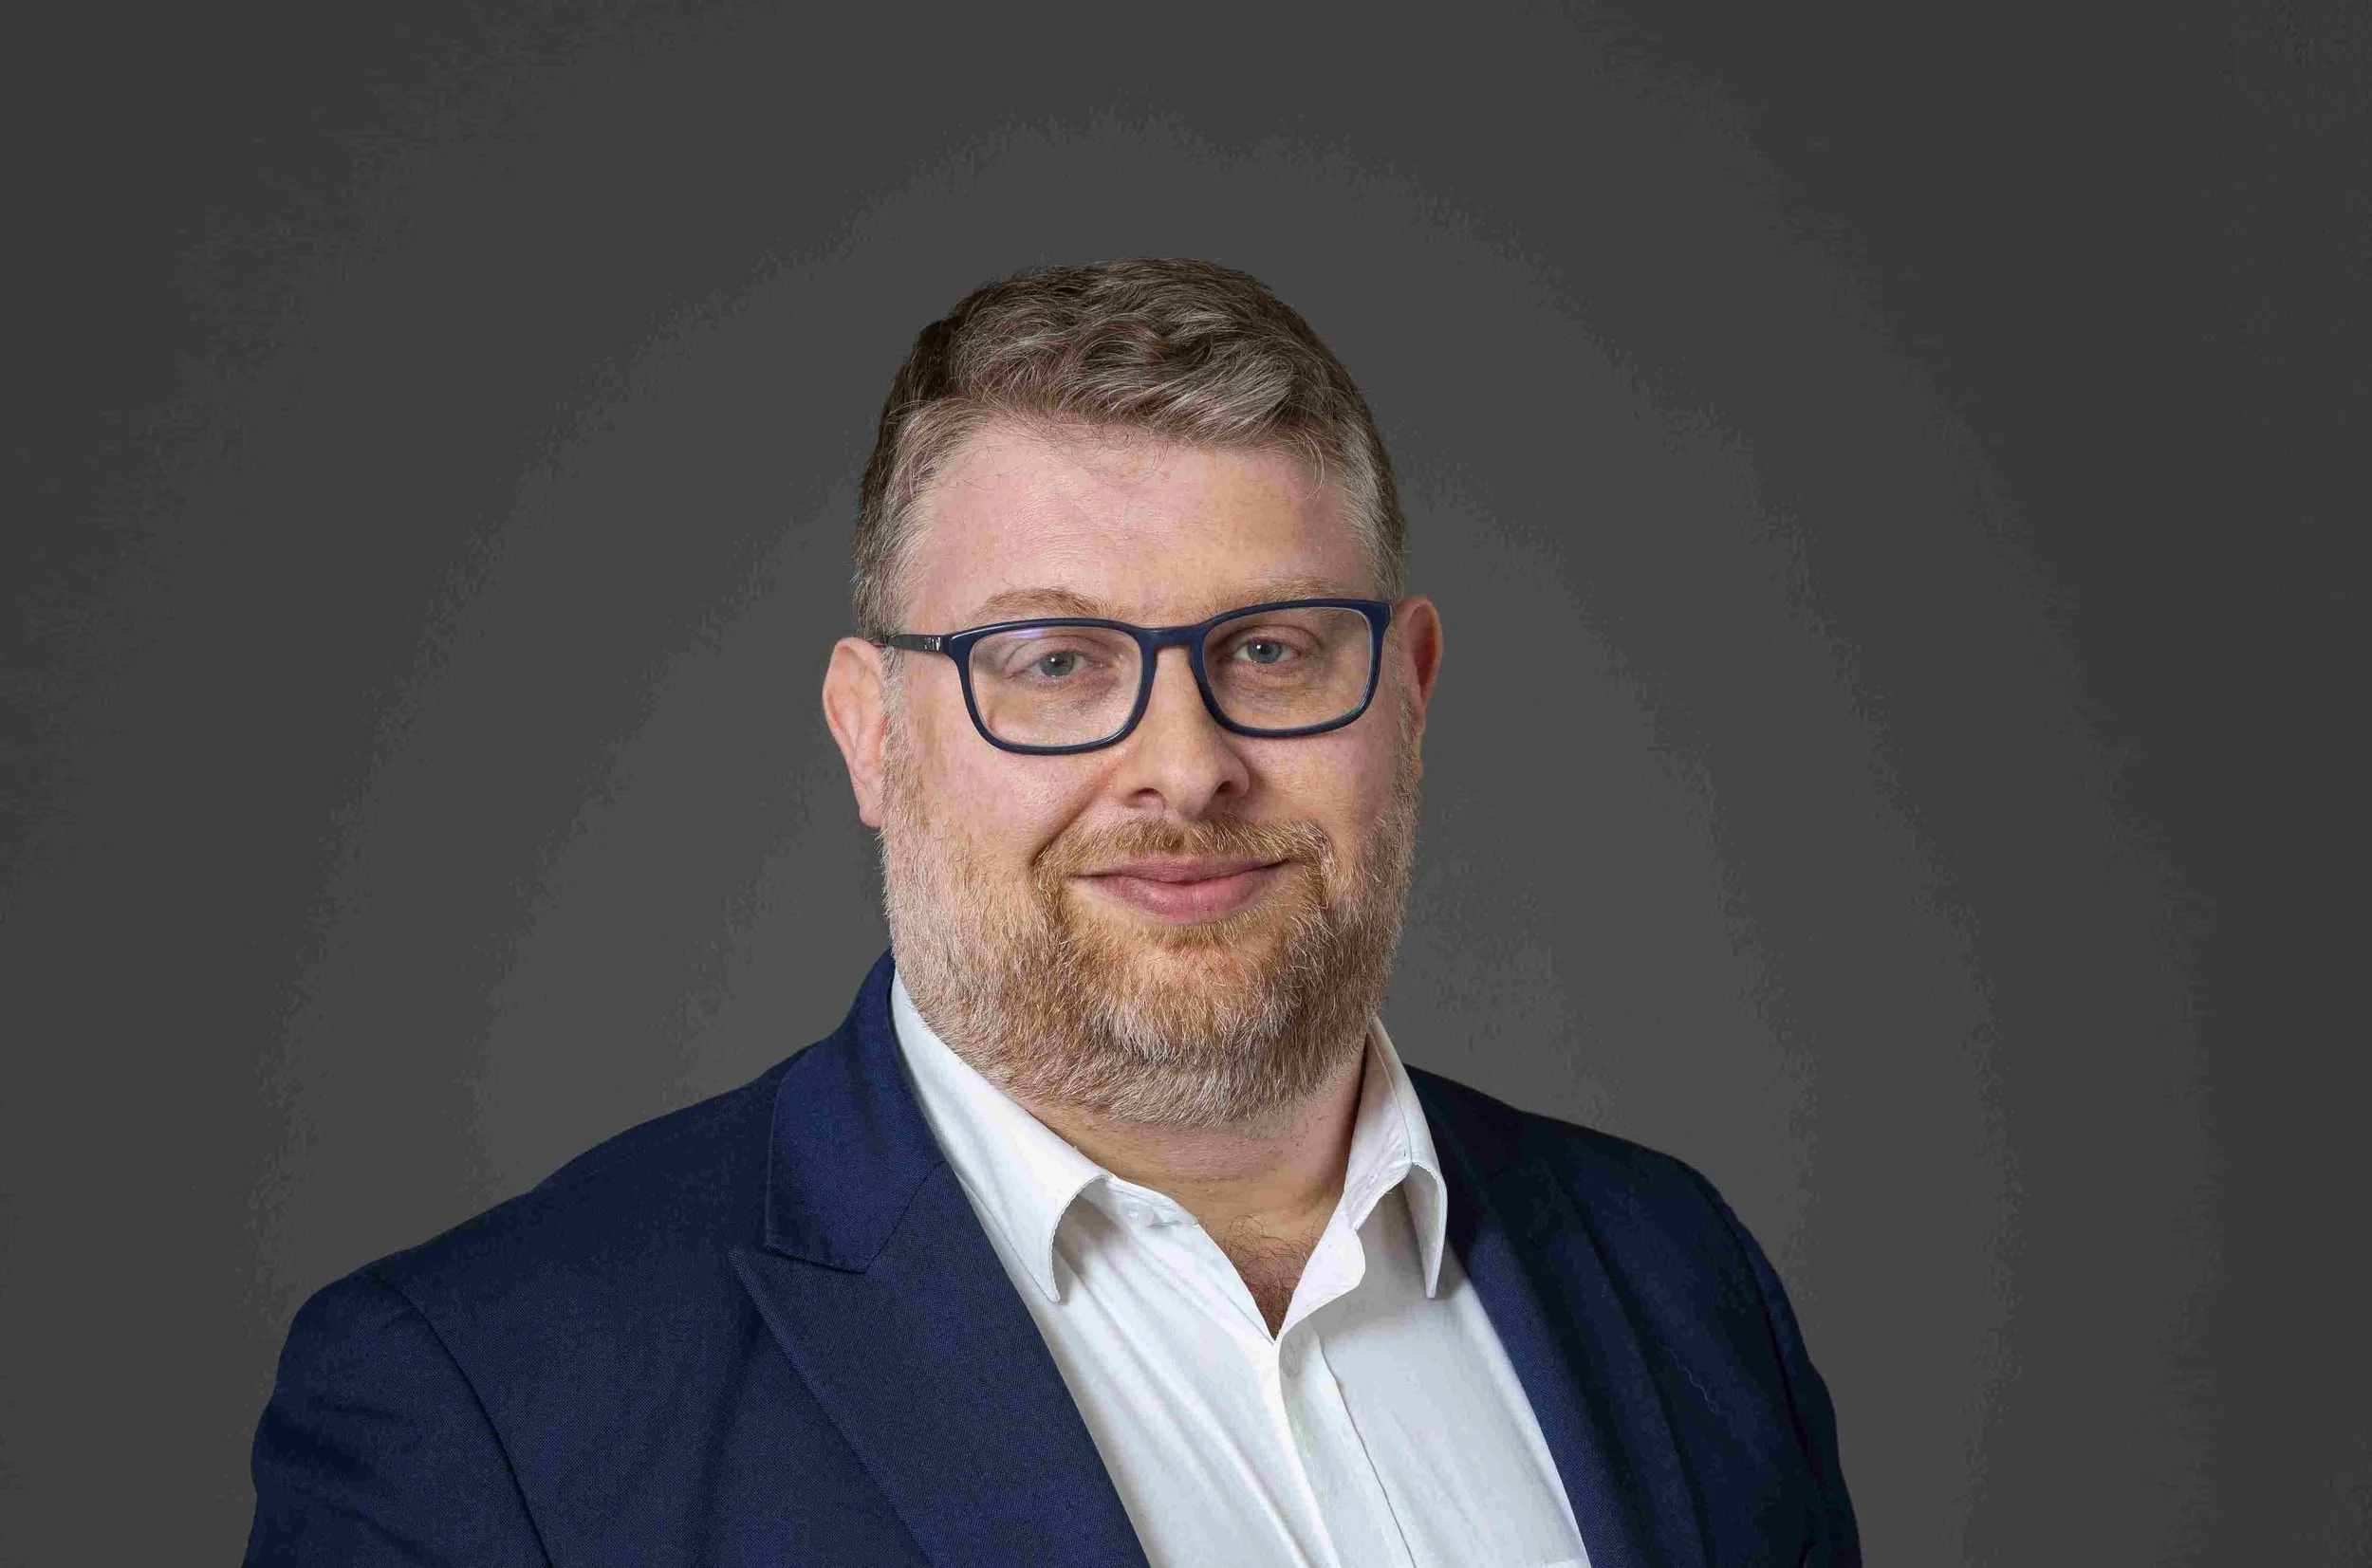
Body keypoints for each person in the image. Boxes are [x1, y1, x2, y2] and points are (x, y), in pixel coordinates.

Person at [244, 259, 1859, 1567]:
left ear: (1409, 696)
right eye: (1055, 663)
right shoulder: (491, 1406)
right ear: (872, 734)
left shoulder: (1681, 1280)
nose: (1186, 764)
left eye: (1273, 649)